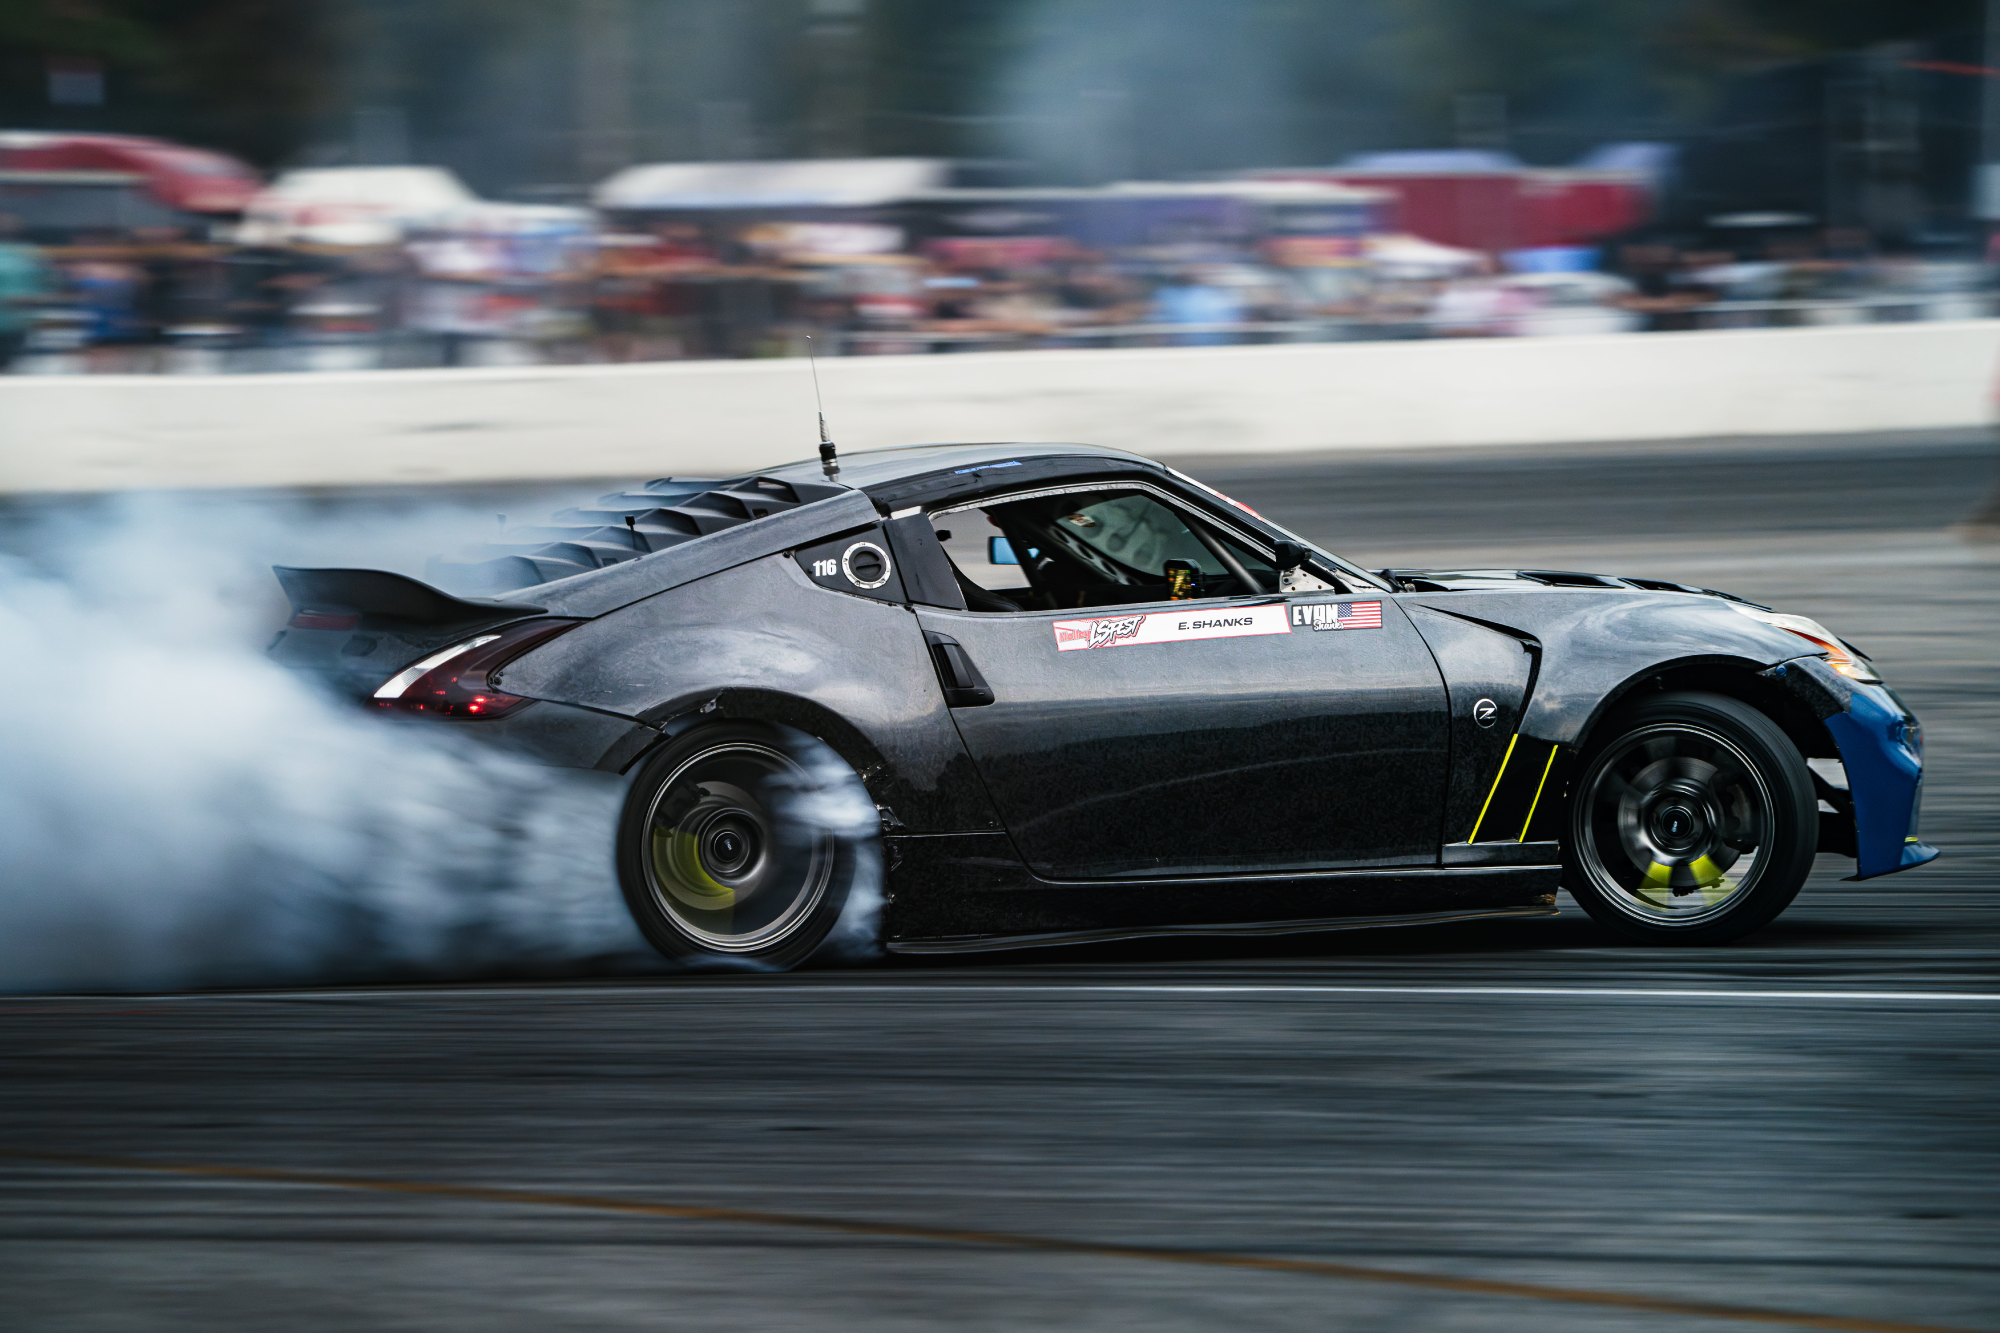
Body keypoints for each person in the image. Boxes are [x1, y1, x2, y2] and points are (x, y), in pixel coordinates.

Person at [0, 214, 52, 370]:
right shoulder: (33, 254)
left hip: (15, 323)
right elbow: (48, 286)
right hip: (20, 322)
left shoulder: (32, 255)